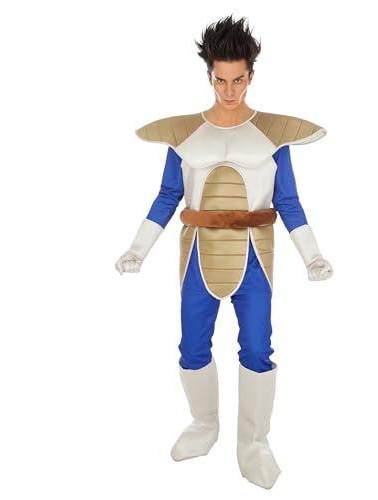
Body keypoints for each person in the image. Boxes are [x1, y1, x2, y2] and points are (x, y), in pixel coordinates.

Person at [114, 14, 333, 490]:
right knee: (192, 346)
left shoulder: (274, 134)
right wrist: (138, 248)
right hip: (199, 255)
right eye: (220, 80)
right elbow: (168, 196)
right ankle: (204, 424)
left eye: (238, 80)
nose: (229, 90)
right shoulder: (183, 134)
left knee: (257, 346)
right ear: (209, 76)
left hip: (255, 257)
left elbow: (288, 201)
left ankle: (253, 443)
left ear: (250, 76)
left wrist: (312, 255)